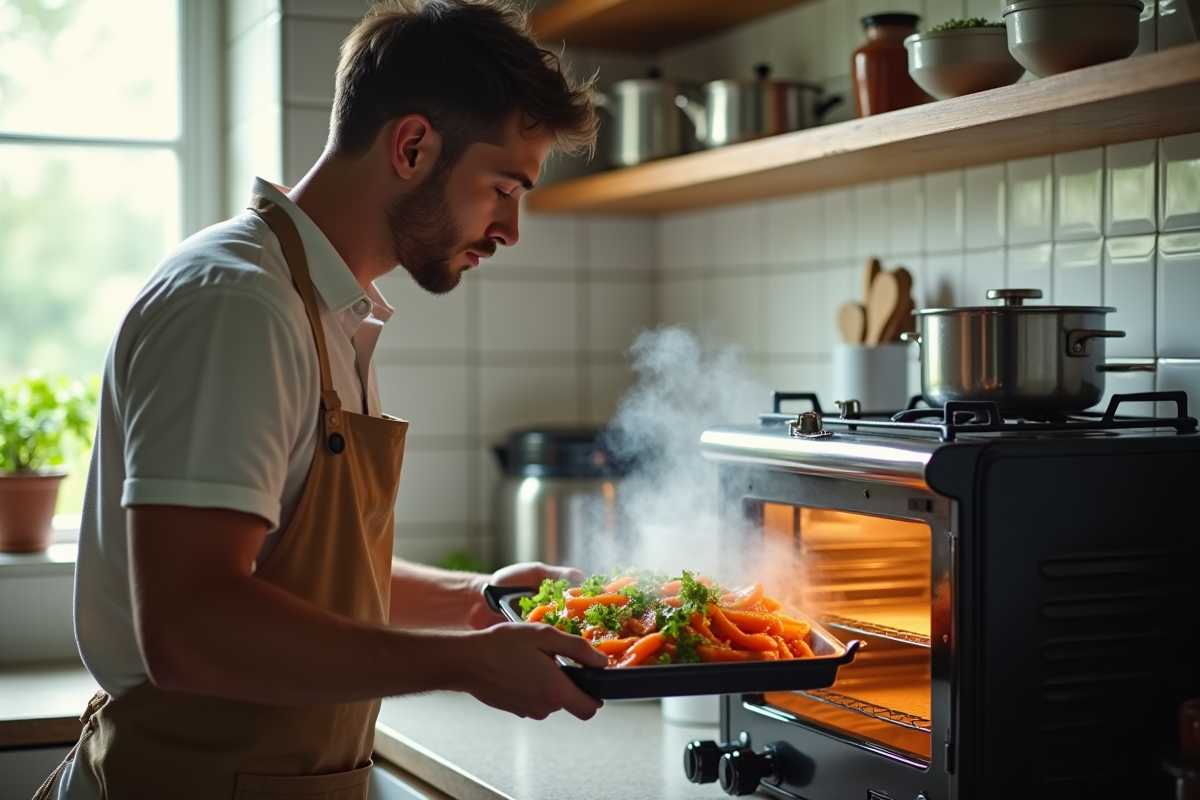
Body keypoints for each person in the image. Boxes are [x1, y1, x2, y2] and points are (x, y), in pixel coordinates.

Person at [38, 1, 606, 798]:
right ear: (412, 146)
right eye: (502, 187)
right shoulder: (236, 303)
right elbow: (190, 628)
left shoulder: (328, 309)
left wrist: (479, 602)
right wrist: (463, 665)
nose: (510, 228)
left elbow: (302, 577)